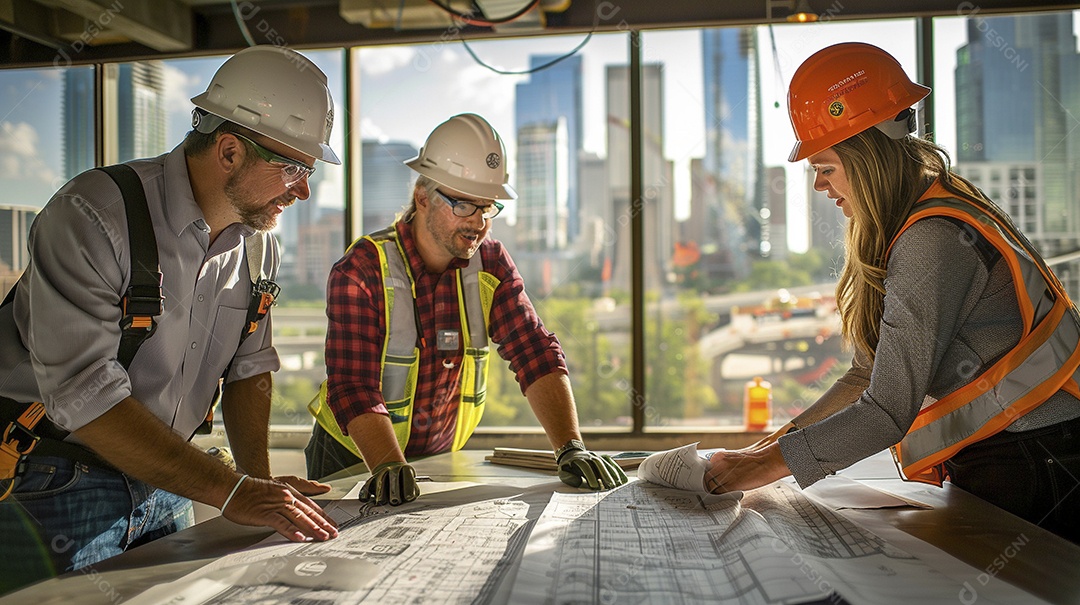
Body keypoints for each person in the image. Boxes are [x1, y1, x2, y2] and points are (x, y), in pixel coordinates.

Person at [704, 42, 1080, 543]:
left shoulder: (932, 239)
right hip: (1026, 451)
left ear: (866, 157)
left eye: (826, 167)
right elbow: (867, 373)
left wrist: (759, 470)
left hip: (1038, 458)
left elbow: (886, 411)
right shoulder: (928, 212)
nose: (819, 186)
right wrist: (771, 449)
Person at [0, 45, 341, 590]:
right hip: (58, 478)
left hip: (172, 481)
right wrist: (231, 492)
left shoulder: (259, 247)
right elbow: (84, 394)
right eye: (294, 168)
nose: (303, 189)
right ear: (229, 150)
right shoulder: (96, 215)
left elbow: (249, 369)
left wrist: (253, 482)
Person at [305, 113, 627, 504]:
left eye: (487, 208)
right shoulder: (363, 268)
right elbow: (352, 385)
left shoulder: (489, 261)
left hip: (439, 458)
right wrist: (387, 463)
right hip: (352, 456)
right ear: (422, 197)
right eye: (463, 206)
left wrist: (570, 446)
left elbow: (533, 351)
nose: (478, 222)